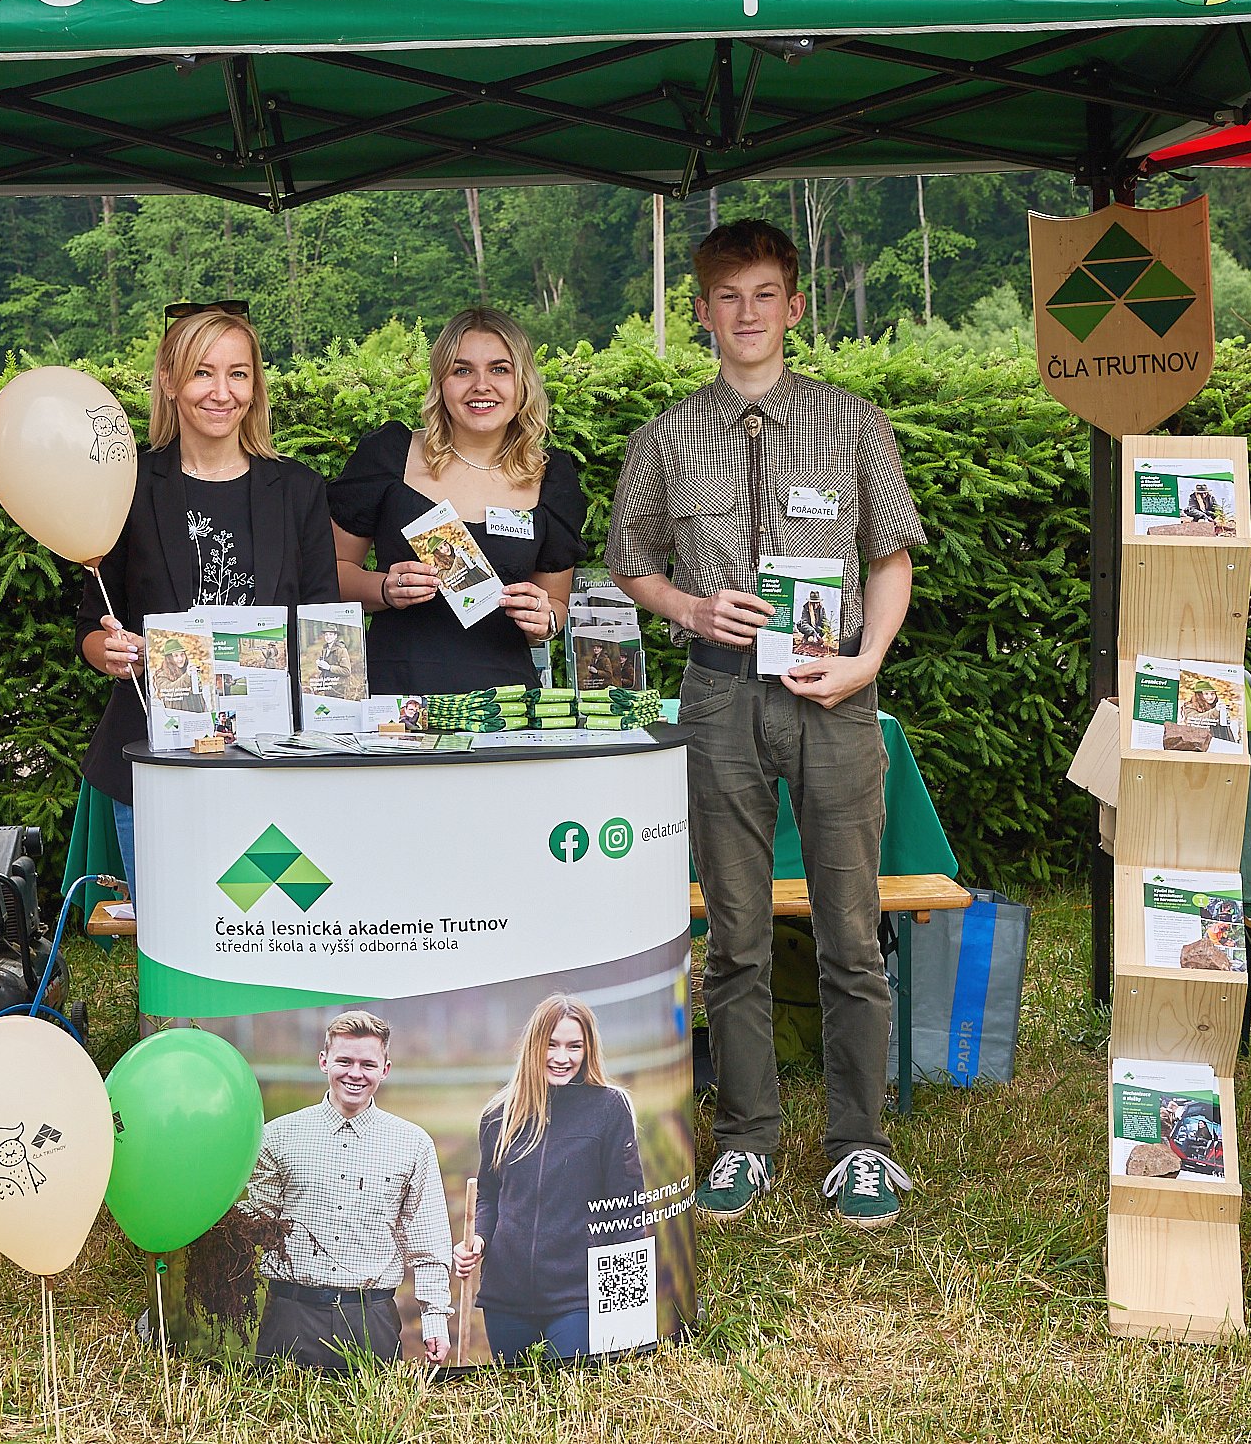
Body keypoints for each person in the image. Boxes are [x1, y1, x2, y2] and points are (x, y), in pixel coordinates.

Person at [606, 217, 925, 1231]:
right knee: (736, 938)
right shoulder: (666, 436)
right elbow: (629, 559)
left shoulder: (853, 422)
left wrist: (867, 662)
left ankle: (860, 1144)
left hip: (833, 697)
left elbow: (890, 556)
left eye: (764, 295)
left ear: (794, 305)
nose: (746, 314)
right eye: (727, 297)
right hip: (718, 699)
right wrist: (688, 608)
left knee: (850, 933)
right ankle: (746, 1137)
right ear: (702, 311)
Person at [76, 306, 340, 885]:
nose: (222, 393)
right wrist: (110, 651)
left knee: (275, 920)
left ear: (255, 385)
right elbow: (91, 626)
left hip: (276, 763)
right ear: (169, 382)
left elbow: (325, 626)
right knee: (172, 925)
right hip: (156, 761)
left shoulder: (298, 490)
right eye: (202, 372)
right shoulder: (128, 487)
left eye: (238, 374)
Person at [329, 308, 586, 694]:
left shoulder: (552, 478)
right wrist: (383, 588)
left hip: (505, 705)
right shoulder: (390, 456)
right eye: (462, 370)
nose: (481, 385)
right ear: (440, 382)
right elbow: (328, 574)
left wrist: (543, 619)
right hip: (398, 702)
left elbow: (555, 605)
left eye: (500, 369)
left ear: (523, 382)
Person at [244, 1011, 453, 1369]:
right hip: (290, 1317)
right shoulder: (277, 1136)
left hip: (370, 1320)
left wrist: (434, 1318)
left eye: (367, 1064)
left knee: (375, 1407)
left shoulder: (412, 1144)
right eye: (344, 1061)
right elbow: (256, 1221)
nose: (355, 1073)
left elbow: (428, 1241)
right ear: (324, 1061)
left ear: (385, 1069)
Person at [453, 997, 644, 1361]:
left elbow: (627, 1210)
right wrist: (478, 1239)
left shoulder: (609, 1108)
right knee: (516, 1392)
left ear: (588, 1049)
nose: (561, 1057)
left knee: (570, 1388)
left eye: (574, 1046)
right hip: (505, 1294)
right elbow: (489, 1195)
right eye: (551, 1044)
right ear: (533, 1045)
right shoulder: (498, 1115)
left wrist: (627, 1306)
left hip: (578, 1295)